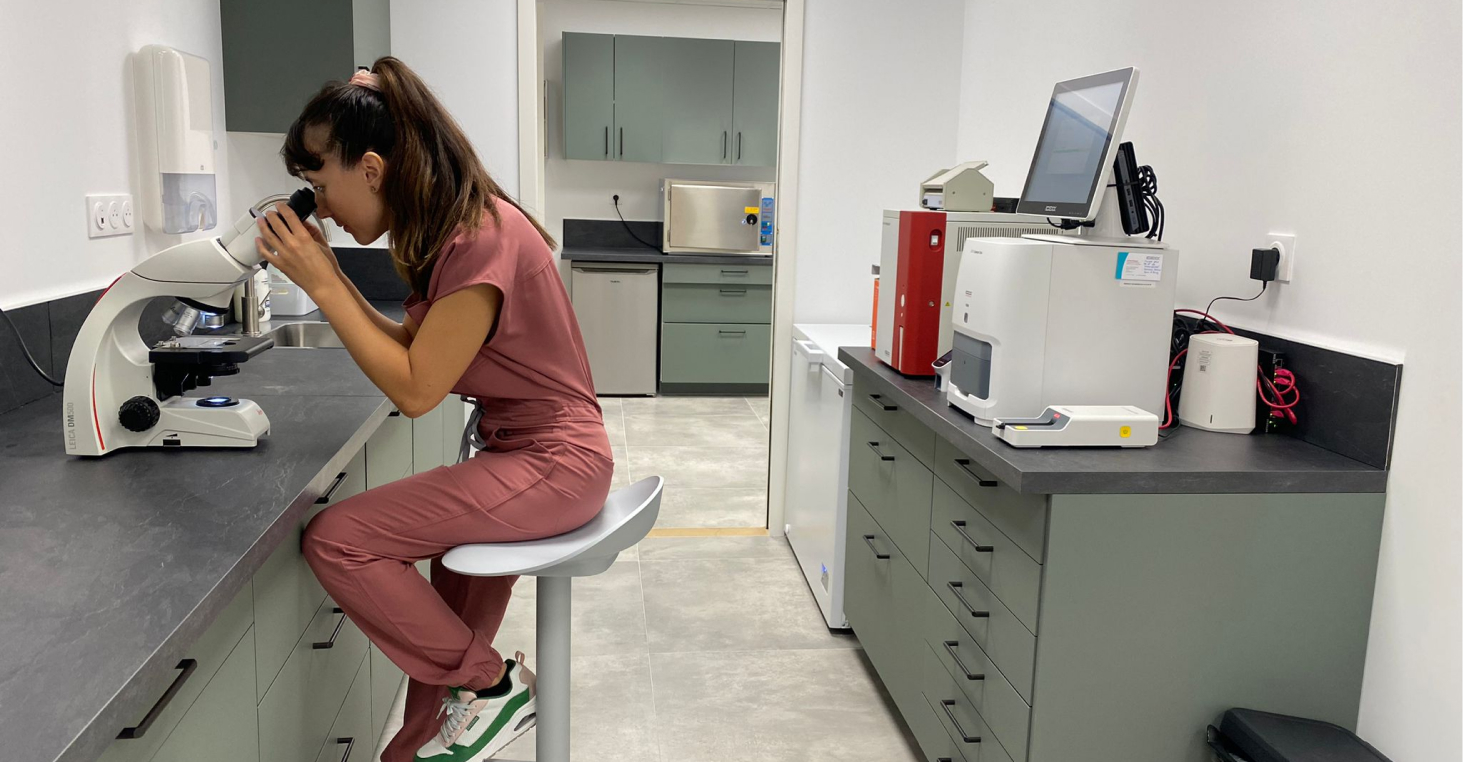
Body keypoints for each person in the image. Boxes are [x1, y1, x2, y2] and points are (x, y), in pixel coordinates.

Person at [255, 58, 613, 762]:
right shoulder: (453, 230)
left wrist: (325, 282)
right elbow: (415, 350)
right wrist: (329, 282)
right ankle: (435, 731)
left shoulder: (479, 237)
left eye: (319, 184)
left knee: (339, 539)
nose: (317, 206)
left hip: (554, 463)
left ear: (372, 168)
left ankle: (495, 687)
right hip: (524, 457)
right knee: (442, 649)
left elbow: (417, 391)